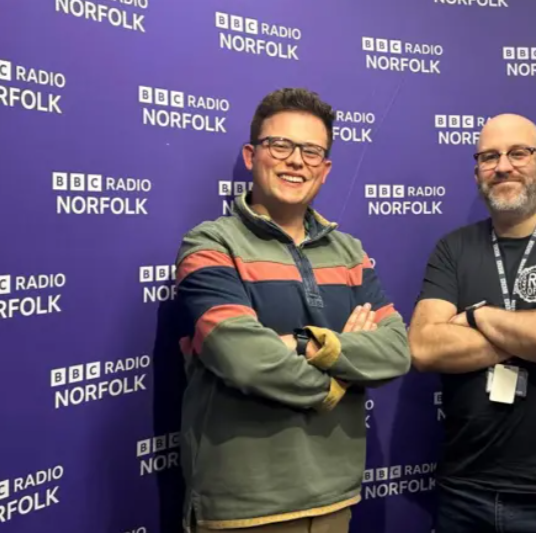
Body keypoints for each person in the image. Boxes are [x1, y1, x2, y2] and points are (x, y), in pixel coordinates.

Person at [173, 87, 412, 533]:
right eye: (280, 145)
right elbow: (244, 359)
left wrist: (304, 343)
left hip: (335, 499)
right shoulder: (210, 244)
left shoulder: (349, 252)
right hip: (243, 507)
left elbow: (396, 350)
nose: (296, 160)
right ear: (251, 155)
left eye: (311, 151)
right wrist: (341, 370)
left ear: (325, 169)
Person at [408, 113, 536, 533]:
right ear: (477, 171)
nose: (503, 165)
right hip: (464, 491)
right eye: (489, 156)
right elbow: (424, 347)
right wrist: (535, 329)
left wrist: (475, 317)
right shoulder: (454, 249)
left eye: (518, 153)